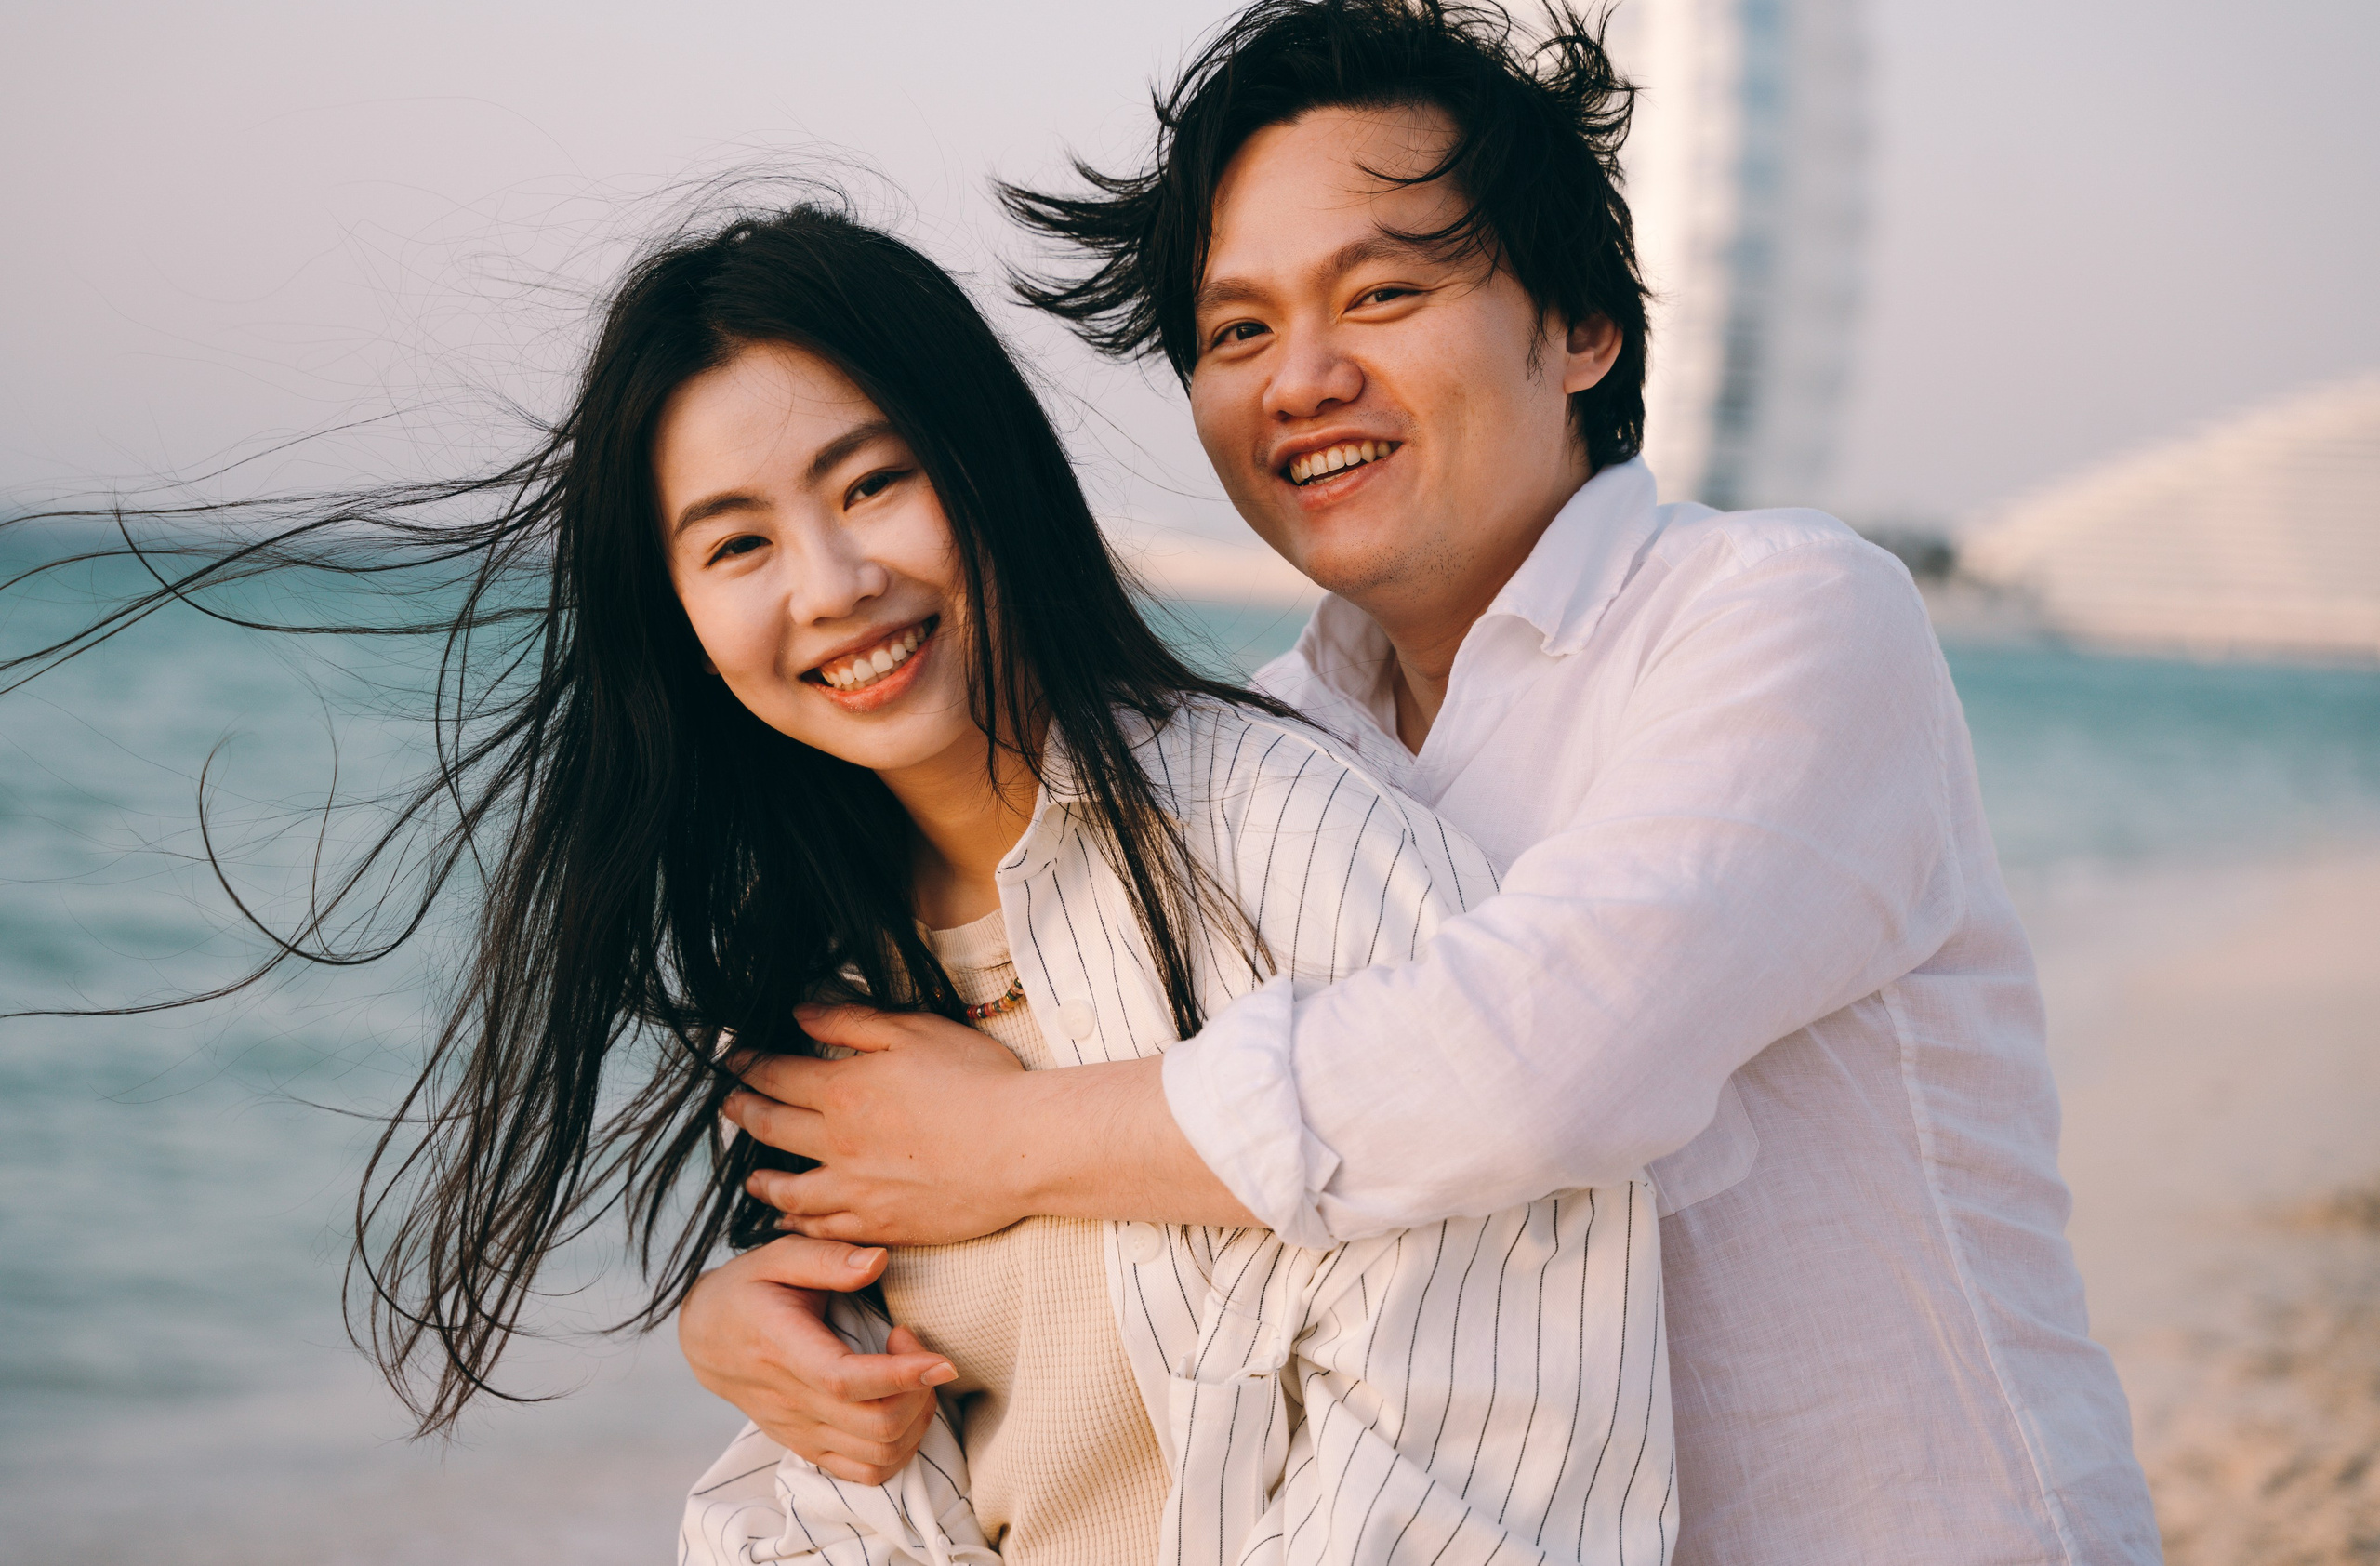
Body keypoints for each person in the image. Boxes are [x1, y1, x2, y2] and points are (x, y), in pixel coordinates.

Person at [681, 0, 2163, 1563]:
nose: (1299, 379)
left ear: (1582, 325)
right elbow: (1138, 1274)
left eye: (1379, 296)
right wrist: (762, 1324)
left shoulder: (1781, 620)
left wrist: (1003, 1142)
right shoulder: (1255, 763)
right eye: (1237, 330)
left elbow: (1545, 1059)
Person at [5, 200, 1675, 1561]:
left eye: (874, 482)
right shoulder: (827, 997)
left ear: (987, 468)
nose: (832, 585)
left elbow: (1501, 1445)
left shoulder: (1283, 844)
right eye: (735, 543)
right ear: (679, 619)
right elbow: (842, 1502)